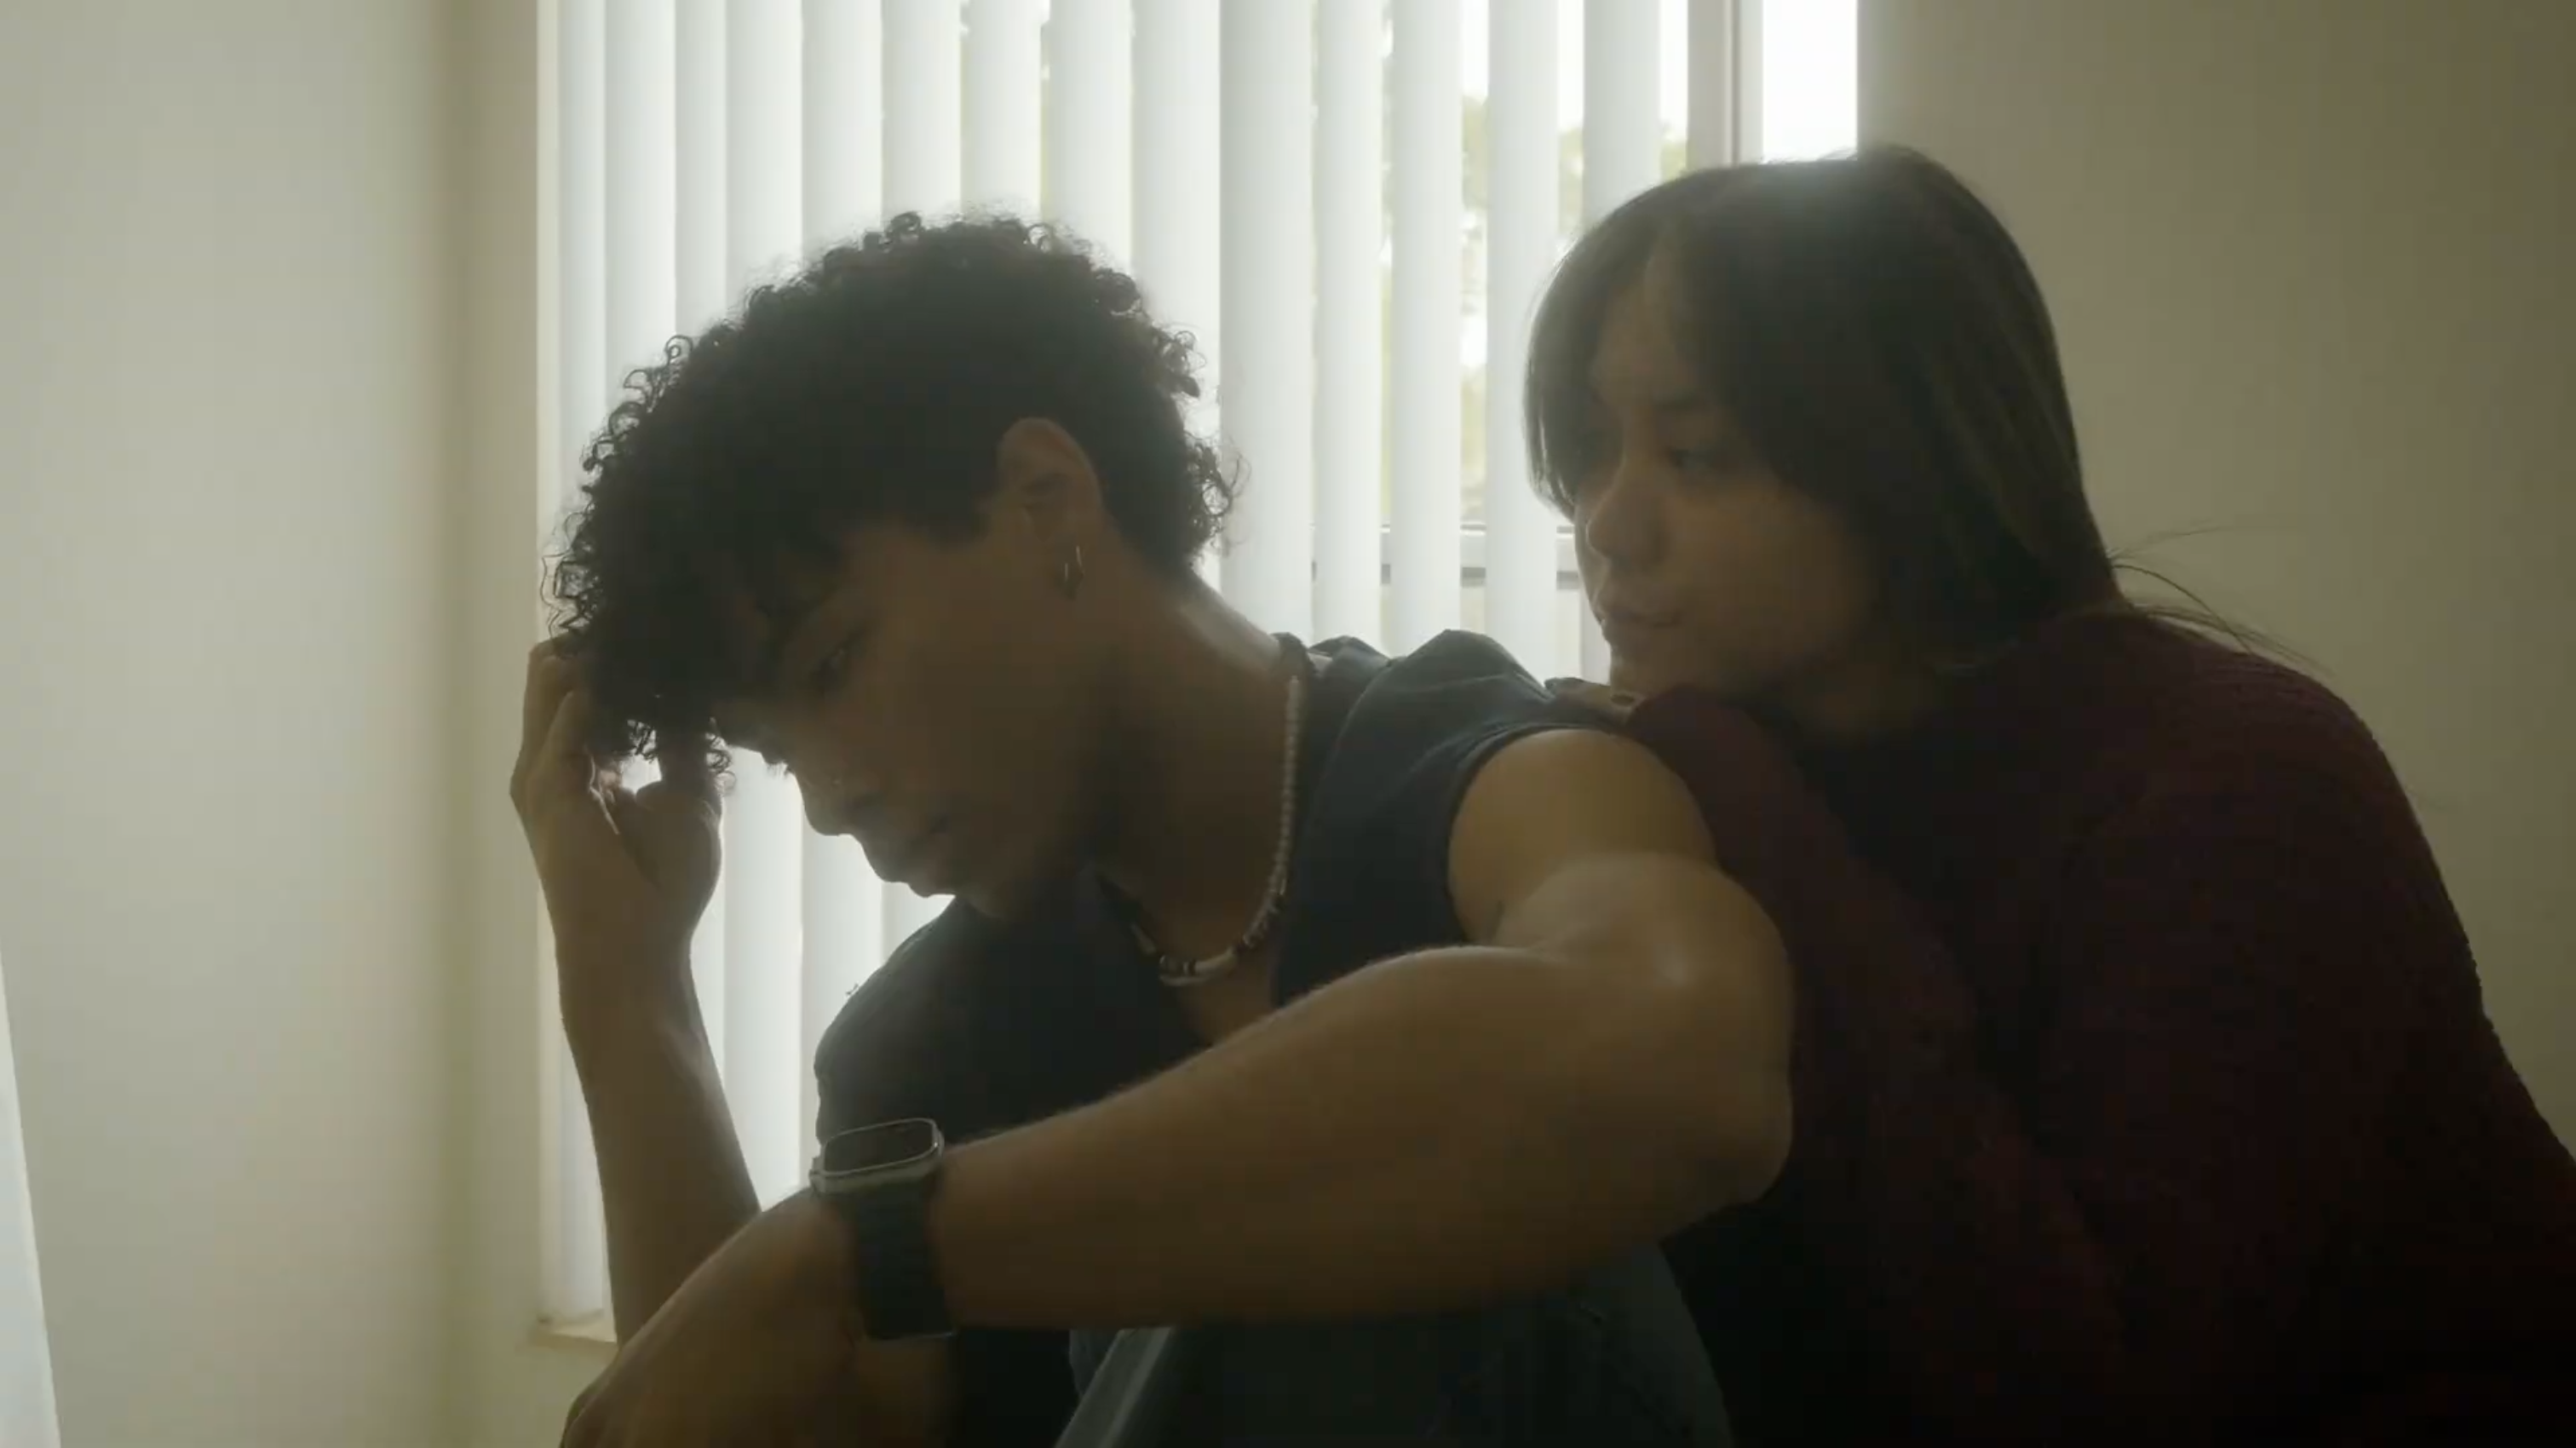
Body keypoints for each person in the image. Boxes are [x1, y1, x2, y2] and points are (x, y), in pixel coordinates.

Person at [515, 214, 1789, 1447]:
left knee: (1396, 1189)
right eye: (778, 753)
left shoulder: (1474, 772)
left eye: (835, 664)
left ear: (1045, 500)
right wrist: (629, 991)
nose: (828, 798)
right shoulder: (928, 1044)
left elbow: (1682, 1054)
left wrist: (876, 1249)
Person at [1523, 146, 2576, 1442]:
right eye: (1592, 450)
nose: (1607, 524)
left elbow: (2092, 1389)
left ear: (1909, 462)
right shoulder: (1723, 763)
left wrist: (1743, 799)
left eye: (1697, 455)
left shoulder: (2234, 788)